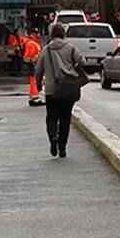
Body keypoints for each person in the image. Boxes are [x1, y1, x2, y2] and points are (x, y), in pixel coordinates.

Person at [35, 23, 88, 158]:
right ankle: (62, 148)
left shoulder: (46, 50)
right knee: (65, 118)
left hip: (51, 90)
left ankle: (53, 137)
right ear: (64, 34)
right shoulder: (71, 48)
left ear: (51, 35)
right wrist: (72, 66)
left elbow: (38, 70)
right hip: (68, 89)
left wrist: (38, 84)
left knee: (51, 117)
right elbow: (83, 63)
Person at [24, 27, 44, 106]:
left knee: (35, 82)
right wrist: (34, 61)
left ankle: (34, 98)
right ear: (33, 34)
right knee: (34, 82)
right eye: (37, 33)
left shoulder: (34, 42)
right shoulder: (31, 43)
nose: (38, 34)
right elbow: (28, 57)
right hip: (34, 65)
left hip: (35, 65)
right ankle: (35, 98)